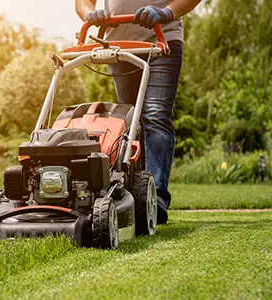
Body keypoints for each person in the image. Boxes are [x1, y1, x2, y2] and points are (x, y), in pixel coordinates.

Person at [75, 0, 201, 224]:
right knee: (131, 123)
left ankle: (157, 196)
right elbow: (82, 2)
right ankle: (136, 195)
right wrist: (91, 14)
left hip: (161, 38)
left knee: (155, 115)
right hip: (119, 45)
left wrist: (166, 12)